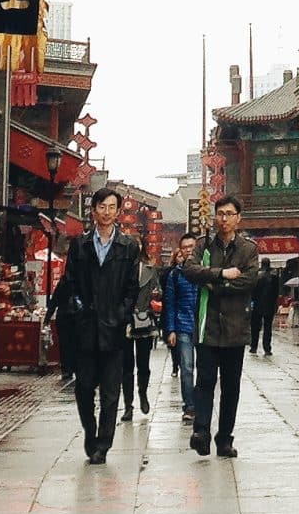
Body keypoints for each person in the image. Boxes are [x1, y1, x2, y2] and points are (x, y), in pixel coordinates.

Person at [47, 187, 141, 463]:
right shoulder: (80, 245)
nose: (106, 212)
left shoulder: (128, 246)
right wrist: (77, 310)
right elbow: (71, 282)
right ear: (94, 209)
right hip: (86, 327)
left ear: (118, 211)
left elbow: (131, 288)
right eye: (102, 206)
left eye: (112, 207)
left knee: (111, 391)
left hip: (113, 328)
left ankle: (104, 443)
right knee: (84, 387)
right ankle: (90, 431)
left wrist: (122, 313)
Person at [189, 196, 260, 458]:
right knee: (204, 381)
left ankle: (225, 438)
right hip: (208, 326)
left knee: (231, 386)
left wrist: (217, 285)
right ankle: (201, 432)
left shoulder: (248, 249)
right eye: (220, 213)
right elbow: (191, 270)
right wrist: (221, 274)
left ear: (238, 218)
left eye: (230, 214)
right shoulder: (203, 245)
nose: (224, 219)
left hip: (235, 327)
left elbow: (250, 281)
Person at [161, 233, 202, 420]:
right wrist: (170, 330)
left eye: (191, 246)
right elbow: (169, 303)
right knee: (186, 367)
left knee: (204, 368)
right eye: (185, 247)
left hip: (202, 325)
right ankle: (190, 407)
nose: (188, 250)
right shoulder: (175, 275)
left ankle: (203, 403)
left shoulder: (204, 271)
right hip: (183, 325)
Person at [123, 281, 158, 421]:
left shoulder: (149, 268)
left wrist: (157, 294)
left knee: (143, 364)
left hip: (143, 320)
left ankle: (142, 393)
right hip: (125, 319)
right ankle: (128, 405)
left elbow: (158, 290)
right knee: (126, 365)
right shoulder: (121, 265)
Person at [248, 260, 279, 356]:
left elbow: (252, 292)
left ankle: (253, 347)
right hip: (269, 306)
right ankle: (267, 348)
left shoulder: (257, 277)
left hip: (257, 305)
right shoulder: (274, 277)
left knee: (255, 327)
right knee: (268, 328)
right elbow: (276, 293)